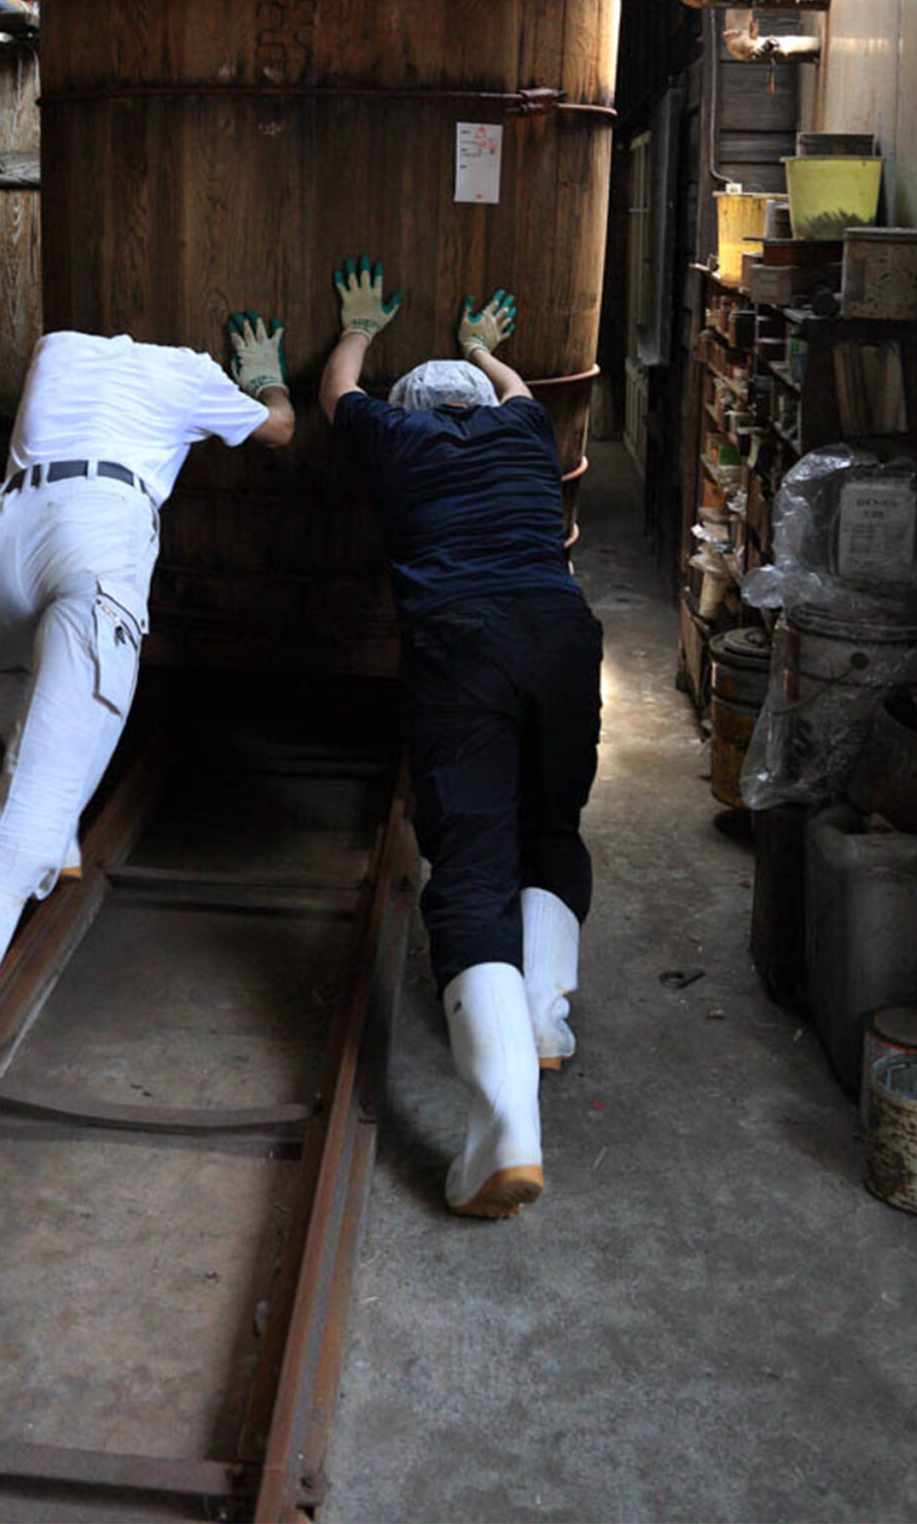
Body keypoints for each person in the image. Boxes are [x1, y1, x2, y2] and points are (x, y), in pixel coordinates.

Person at [0, 313, 294, 1066]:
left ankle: (56, 840)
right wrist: (265, 376)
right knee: (39, 784)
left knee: (17, 686)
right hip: (92, 538)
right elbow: (278, 430)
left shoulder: (59, 350)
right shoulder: (191, 373)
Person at [320, 258, 602, 1218]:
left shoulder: (395, 436)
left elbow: (336, 396)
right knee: (551, 829)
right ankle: (542, 1017)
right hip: (562, 634)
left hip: (465, 644)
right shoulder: (522, 427)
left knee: (472, 870)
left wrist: (358, 326)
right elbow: (519, 390)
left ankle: (503, 1137)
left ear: (415, 408)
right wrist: (483, 347)